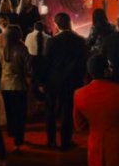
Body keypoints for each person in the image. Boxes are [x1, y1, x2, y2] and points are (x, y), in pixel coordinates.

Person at [36, 12, 87, 149]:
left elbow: (47, 62)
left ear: (57, 24)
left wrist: (42, 81)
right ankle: (66, 141)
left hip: (53, 80)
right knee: (67, 111)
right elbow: (82, 63)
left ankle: (51, 140)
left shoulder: (52, 41)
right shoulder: (80, 41)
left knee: (50, 110)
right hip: (71, 81)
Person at [0, 25, 30, 151]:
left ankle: (12, 132)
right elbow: (28, 67)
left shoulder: (1, 49)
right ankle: (19, 138)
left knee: (9, 111)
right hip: (19, 84)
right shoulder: (22, 48)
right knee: (20, 113)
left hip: (4, 84)